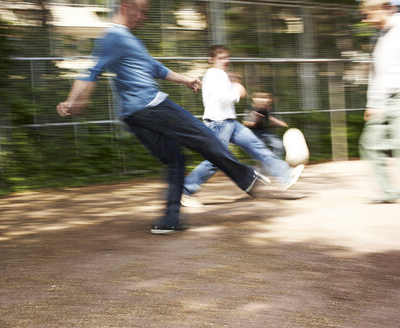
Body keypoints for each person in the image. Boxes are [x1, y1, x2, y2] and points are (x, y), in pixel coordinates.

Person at [56, 0, 269, 234]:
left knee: (174, 160)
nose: (143, 17)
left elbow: (155, 68)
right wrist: (72, 99)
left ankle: (169, 220)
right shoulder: (113, 36)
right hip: (152, 107)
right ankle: (246, 176)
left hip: (133, 116)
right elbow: (91, 72)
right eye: (141, 11)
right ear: (126, 6)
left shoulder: (128, 40)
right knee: (206, 138)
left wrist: (186, 80)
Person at [181, 45, 304, 207]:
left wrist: (232, 86)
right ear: (211, 60)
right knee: (215, 161)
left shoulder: (217, 74)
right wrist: (237, 91)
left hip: (228, 121)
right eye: (221, 58)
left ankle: (285, 174)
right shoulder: (216, 74)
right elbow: (223, 99)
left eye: (227, 57)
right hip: (219, 124)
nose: (226, 61)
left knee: (255, 145)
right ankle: (185, 190)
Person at [359, 0, 400, 204]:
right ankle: (388, 192)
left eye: (368, 14)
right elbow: (376, 74)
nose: (366, 20)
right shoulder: (381, 36)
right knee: (370, 143)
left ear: (384, 8)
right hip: (383, 101)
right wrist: (371, 103)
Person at [243, 92, 287, 159]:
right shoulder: (250, 109)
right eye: (262, 99)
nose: (266, 102)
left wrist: (275, 121)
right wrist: (255, 120)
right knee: (260, 150)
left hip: (266, 132)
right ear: (255, 100)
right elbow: (245, 123)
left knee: (278, 145)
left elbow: (276, 122)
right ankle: (261, 165)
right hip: (254, 134)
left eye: (267, 99)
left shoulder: (268, 110)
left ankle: (275, 163)